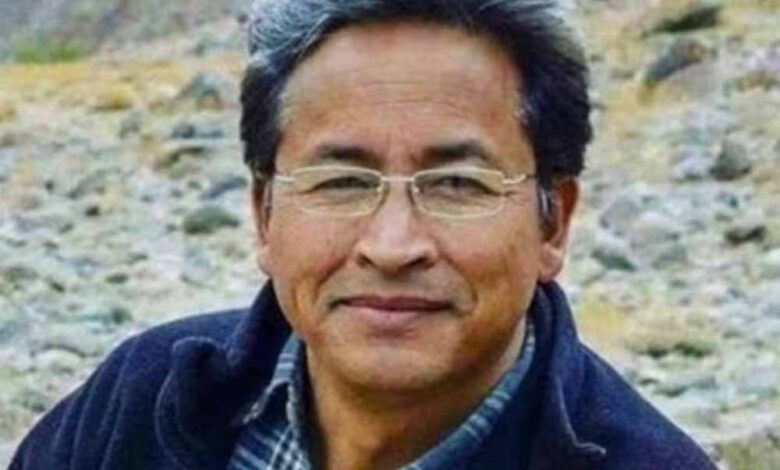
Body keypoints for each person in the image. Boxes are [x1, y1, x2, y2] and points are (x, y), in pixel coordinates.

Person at [11, 1, 718, 469]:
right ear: (264, 213)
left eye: (457, 184)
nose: (392, 245)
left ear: (552, 222)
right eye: (342, 181)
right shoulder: (145, 398)